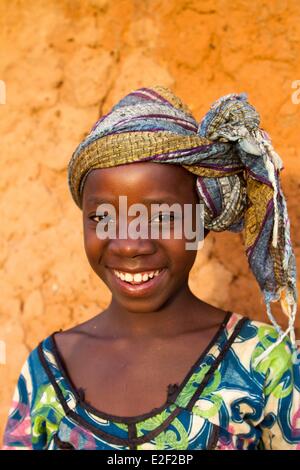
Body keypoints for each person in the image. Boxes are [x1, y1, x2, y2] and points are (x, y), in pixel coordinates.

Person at [2, 86, 299, 450]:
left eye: (162, 217)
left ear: (201, 222)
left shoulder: (265, 363)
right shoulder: (46, 371)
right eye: (103, 217)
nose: (130, 243)